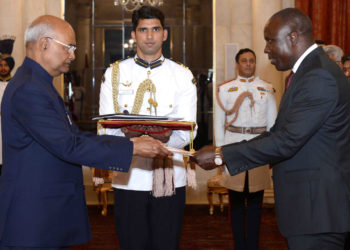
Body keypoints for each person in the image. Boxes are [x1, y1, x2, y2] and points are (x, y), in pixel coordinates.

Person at [0, 15, 171, 249]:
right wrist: (132, 147)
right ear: (44, 44)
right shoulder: (30, 88)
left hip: (43, 212)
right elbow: (68, 145)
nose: (72, 55)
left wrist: (131, 145)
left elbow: (73, 137)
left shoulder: (38, 84)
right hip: (32, 215)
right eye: (69, 47)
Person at [192, 8, 350, 250]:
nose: (265, 49)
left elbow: (286, 141)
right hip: (310, 209)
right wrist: (221, 150)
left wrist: (220, 155)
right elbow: (278, 134)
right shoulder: (308, 71)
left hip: (318, 211)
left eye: (270, 40)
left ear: (293, 37)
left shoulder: (318, 75)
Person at [99, 6, 197, 250]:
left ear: (165, 34)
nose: (150, 36)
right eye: (143, 30)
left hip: (170, 180)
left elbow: (188, 131)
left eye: (155, 29)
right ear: (134, 34)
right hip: (129, 179)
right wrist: (138, 147)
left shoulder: (182, 75)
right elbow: (105, 130)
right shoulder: (114, 73)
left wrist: (152, 147)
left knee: (167, 244)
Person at [215, 48, 277, 250]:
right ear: (237, 64)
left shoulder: (266, 88)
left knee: (256, 203)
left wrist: (271, 153)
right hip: (234, 147)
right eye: (244, 60)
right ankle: (239, 245)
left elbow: (273, 124)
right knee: (236, 201)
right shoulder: (225, 89)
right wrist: (220, 153)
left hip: (259, 148)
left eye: (251, 60)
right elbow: (218, 123)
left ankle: (253, 246)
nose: (248, 64)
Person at [0, 37, 15, 176]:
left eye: (6, 65)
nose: (3, 68)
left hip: (10, 125)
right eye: (0, 65)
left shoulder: (15, 84)